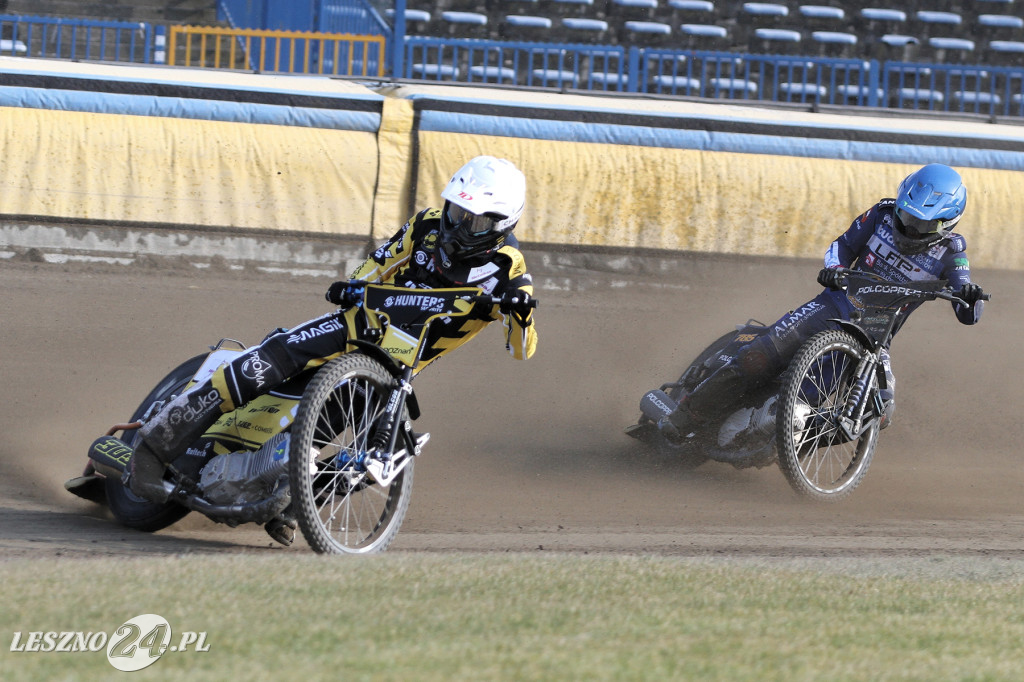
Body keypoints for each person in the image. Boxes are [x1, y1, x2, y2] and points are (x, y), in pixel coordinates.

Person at [128, 155, 538, 504]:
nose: (457, 225)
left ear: (501, 225)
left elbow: (522, 351)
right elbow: (376, 265)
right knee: (270, 358)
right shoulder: (427, 224)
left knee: (364, 450)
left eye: (472, 221)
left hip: (392, 368)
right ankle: (151, 449)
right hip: (359, 324)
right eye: (456, 211)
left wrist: (519, 314)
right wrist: (353, 286)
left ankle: (288, 505)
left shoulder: (510, 271)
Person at [659, 163, 986, 442]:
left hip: (874, 337)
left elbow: (968, 311)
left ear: (947, 224)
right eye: (906, 216)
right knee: (759, 356)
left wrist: (969, 296)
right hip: (834, 305)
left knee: (879, 410)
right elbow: (842, 246)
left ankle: (787, 447)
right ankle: (686, 415)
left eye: (922, 225)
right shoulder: (881, 214)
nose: (909, 228)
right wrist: (835, 269)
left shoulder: (952, 252)